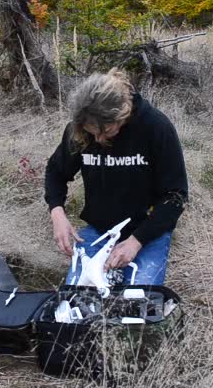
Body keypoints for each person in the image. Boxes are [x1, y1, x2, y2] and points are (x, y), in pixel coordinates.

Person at [44, 68, 189, 286]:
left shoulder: (156, 127)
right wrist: (57, 213)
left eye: (106, 131)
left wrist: (136, 242)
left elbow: (176, 196)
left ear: (122, 113)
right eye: (93, 132)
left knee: (136, 302)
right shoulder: (81, 130)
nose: (99, 139)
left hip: (147, 232)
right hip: (99, 231)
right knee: (78, 297)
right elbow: (56, 171)